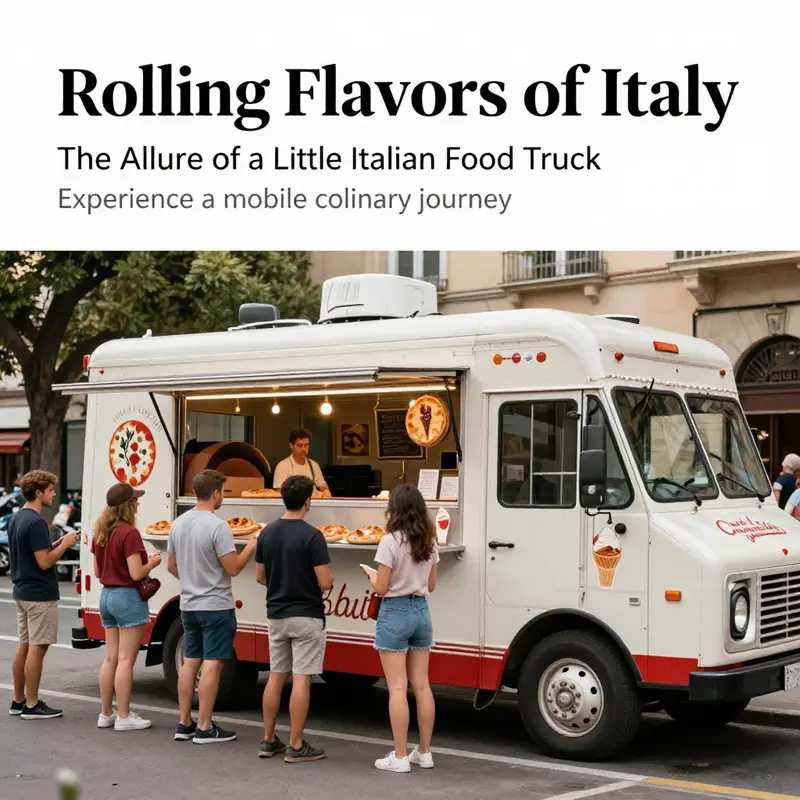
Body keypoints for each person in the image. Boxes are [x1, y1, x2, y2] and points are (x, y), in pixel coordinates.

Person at [167, 469, 257, 744]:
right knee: (212, 664)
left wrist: (193, 578)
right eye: (222, 493)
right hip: (216, 605)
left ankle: (184, 722)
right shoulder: (219, 527)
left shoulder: (178, 523)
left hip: (189, 603)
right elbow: (232, 568)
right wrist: (250, 547)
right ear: (216, 493)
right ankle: (205, 726)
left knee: (191, 663)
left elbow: (171, 565)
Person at [256, 475, 332, 763]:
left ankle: (267, 739)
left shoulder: (267, 533)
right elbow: (324, 582)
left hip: (276, 614)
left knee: (276, 676)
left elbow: (260, 576)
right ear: (309, 502)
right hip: (307, 615)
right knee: (302, 679)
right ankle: (296, 744)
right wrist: (330, 580)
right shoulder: (313, 536)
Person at [368, 484, 439, 773]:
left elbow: (382, 587)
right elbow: (432, 585)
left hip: (395, 612)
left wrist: (371, 576)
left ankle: (399, 756)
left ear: (394, 510)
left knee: (397, 686)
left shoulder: (389, 542)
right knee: (422, 685)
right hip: (422, 611)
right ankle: (424, 752)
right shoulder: (430, 541)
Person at [8, 470, 78, 720]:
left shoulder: (18, 518)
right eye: (49, 489)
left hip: (22, 590)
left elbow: (33, 554)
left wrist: (59, 544)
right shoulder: (37, 522)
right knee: (38, 647)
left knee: (25, 646)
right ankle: (32, 704)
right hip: (39, 593)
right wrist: (65, 545)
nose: (53, 494)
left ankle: (18, 700)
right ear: (38, 493)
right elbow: (45, 561)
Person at [92, 482, 162, 731]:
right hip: (127, 598)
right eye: (136, 500)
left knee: (110, 657)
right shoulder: (129, 533)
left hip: (106, 596)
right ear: (128, 505)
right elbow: (135, 574)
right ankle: (123, 716)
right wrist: (152, 563)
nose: (138, 503)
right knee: (125, 660)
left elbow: (97, 571)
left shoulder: (101, 531)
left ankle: (106, 714)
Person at [271, 428, 332, 498]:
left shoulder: (314, 465)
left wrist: (326, 491)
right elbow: (280, 493)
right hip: (293, 506)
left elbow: (322, 486)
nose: (303, 449)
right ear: (291, 445)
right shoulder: (282, 466)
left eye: (306, 445)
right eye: (300, 445)